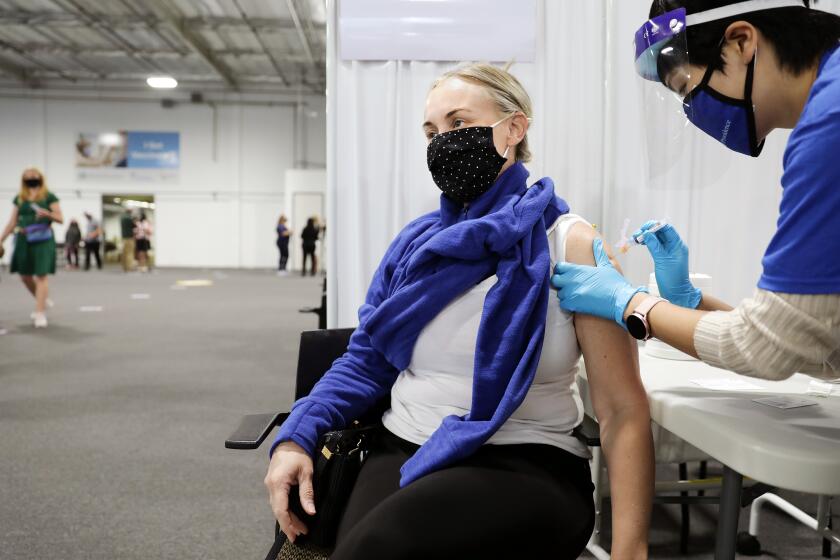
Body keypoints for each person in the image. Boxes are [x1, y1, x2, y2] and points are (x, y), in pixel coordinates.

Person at [265, 64, 654, 559]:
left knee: (373, 549)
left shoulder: (570, 245)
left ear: (514, 128)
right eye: (431, 132)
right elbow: (366, 360)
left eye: (458, 123)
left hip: (525, 459)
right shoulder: (418, 245)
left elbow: (622, 409)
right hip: (403, 443)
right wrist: (297, 435)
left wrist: (631, 550)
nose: (442, 141)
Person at [552, 0, 840, 381]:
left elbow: (767, 351)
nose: (693, 109)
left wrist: (631, 303)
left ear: (740, 42)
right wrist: (690, 302)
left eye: (686, 88)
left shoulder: (829, 126)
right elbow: (823, 347)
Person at [0, 167, 63, 328]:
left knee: (41, 276)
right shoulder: (20, 198)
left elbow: (60, 218)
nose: (31, 178)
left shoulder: (49, 196)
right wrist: (1, 239)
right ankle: (41, 300)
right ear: (23, 180)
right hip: (23, 238)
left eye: (34, 176)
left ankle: (40, 313)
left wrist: (48, 214)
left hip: (43, 239)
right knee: (24, 276)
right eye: (27, 176)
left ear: (40, 178)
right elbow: (12, 222)